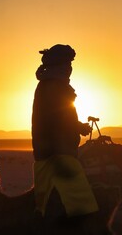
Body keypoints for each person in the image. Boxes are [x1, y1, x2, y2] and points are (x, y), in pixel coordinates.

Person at [31, 44, 100, 233]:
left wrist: (77, 127)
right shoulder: (55, 86)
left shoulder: (49, 84)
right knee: (81, 209)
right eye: (67, 64)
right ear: (60, 65)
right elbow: (58, 119)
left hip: (48, 153)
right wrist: (76, 128)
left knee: (48, 208)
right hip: (59, 155)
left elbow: (59, 116)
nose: (70, 68)